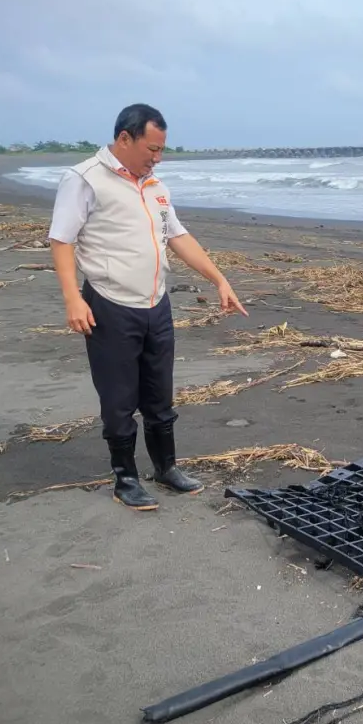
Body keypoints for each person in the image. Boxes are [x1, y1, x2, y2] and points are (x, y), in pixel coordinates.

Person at [47, 103, 249, 511]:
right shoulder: (85, 180)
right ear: (124, 138)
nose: (157, 158)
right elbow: (62, 240)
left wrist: (219, 279)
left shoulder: (155, 187)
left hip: (157, 303)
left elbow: (178, 236)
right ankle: (125, 478)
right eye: (151, 149)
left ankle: (166, 468)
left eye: (161, 151)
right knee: (119, 398)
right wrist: (72, 298)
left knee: (159, 394)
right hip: (109, 303)